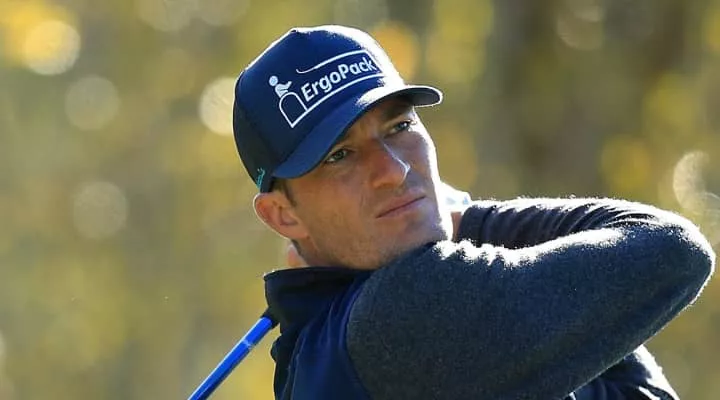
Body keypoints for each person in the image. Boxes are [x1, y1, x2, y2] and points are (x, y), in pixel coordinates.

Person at [231, 25, 715, 400]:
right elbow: (673, 251)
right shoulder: (400, 316)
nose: (394, 171)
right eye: (340, 156)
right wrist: (473, 222)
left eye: (399, 127)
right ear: (283, 216)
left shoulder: (323, 348)